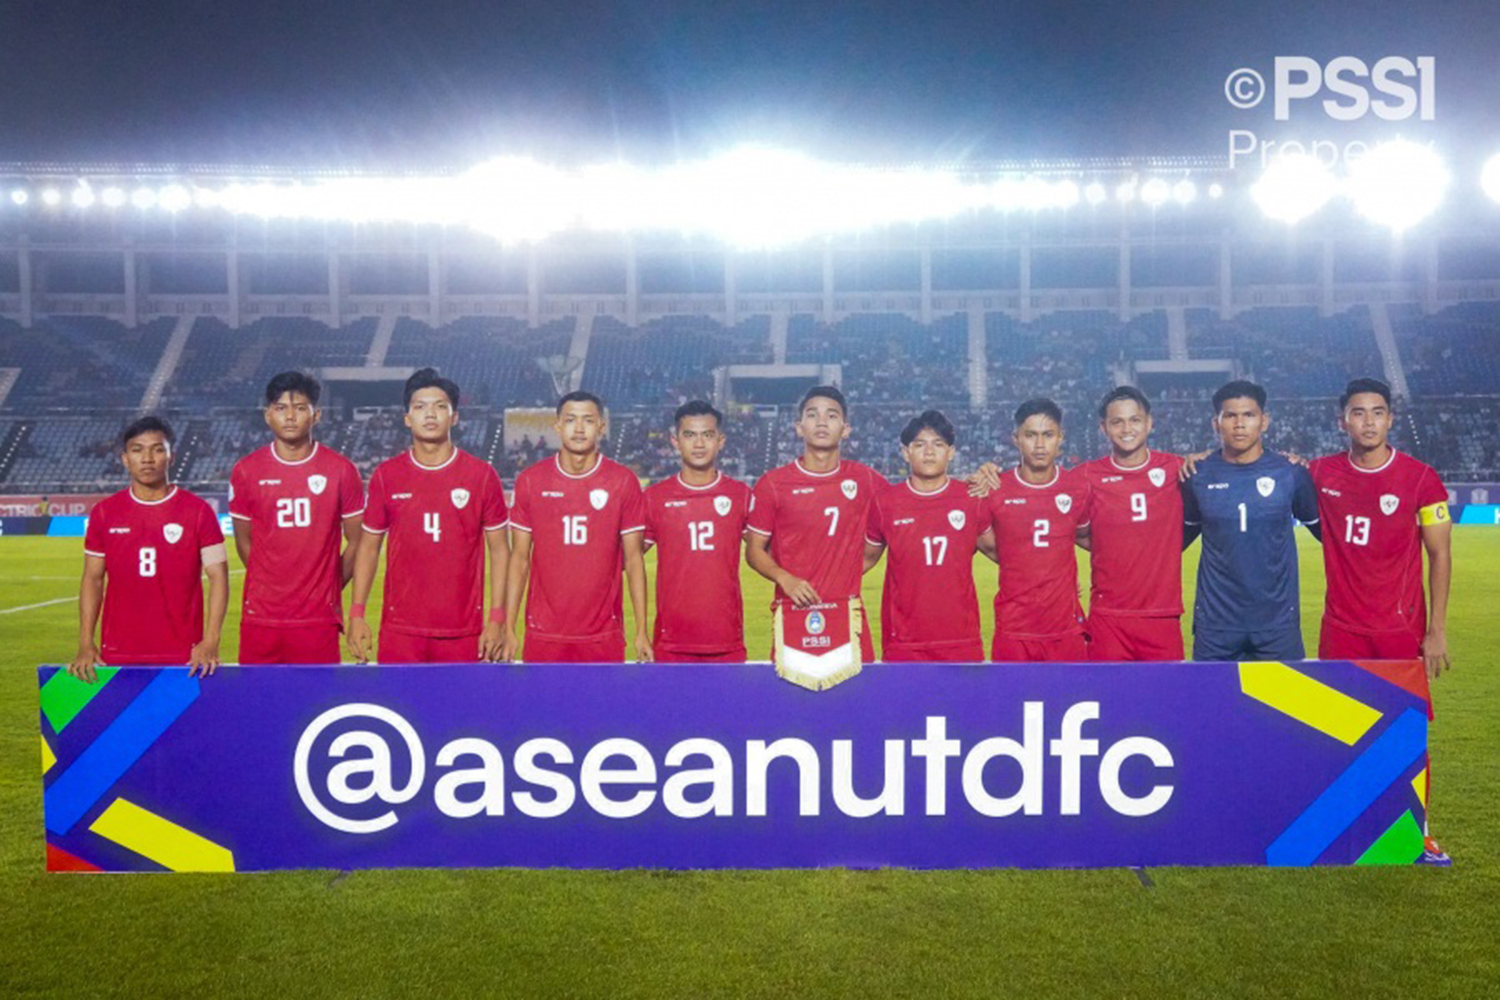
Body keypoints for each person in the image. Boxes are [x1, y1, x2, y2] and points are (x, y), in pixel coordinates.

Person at [347, 368, 509, 664]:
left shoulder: (482, 476)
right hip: (401, 631)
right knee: (400, 709)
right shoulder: (387, 476)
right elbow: (369, 547)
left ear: (454, 416)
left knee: (460, 711)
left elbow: (500, 550)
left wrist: (498, 618)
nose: (430, 414)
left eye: (440, 407)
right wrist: (357, 613)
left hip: (463, 630)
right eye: (420, 407)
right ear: (407, 418)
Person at [1309, 378, 1452, 676]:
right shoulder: (1320, 472)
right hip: (1340, 629)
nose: (1369, 422)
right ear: (1343, 422)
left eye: (1378, 412)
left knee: (1400, 721)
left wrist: (1436, 630)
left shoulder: (1421, 479)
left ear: (1390, 419)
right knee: (1338, 719)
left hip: (1400, 627)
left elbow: (1440, 555)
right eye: (1358, 413)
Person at [70, 416, 229, 680]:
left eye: (157, 449)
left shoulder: (199, 511)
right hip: (118, 651)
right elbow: (93, 579)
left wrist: (211, 640)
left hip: (184, 654)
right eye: (137, 450)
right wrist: (86, 641)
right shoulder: (104, 513)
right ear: (124, 458)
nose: (147, 458)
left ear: (171, 456)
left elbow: (219, 577)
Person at [501, 390, 651, 663]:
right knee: (544, 706)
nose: (579, 429)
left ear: (601, 427)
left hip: (603, 634)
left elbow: (634, 558)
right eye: (571, 420)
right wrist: (508, 627)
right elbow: (519, 558)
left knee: (602, 707)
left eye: (588, 421)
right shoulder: (531, 481)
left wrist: (642, 630)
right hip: (543, 633)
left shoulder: (623, 481)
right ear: (558, 426)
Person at [746, 385, 886, 670]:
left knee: (858, 708)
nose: (822, 422)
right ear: (799, 427)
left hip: (848, 614)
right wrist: (785, 578)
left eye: (831, 415)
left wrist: (975, 482)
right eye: (813, 415)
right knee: (794, 710)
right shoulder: (772, 484)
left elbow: (909, 504)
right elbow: (754, 550)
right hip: (794, 613)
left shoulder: (866, 480)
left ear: (845, 429)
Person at [229, 371, 363, 664]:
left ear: (316, 415)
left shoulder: (341, 470)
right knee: (257, 704)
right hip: (261, 617)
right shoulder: (246, 470)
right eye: (281, 408)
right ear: (268, 415)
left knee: (316, 705)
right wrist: (270, 585)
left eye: (300, 408)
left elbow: (358, 541)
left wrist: (329, 584)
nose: (290, 416)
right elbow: (243, 540)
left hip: (317, 618)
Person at [1182, 380, 1321, 661]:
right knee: (1213, 705)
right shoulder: (1197, 475)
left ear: (1264, 421)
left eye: (1248, 415)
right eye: (1230, 415)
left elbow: (1329, 535)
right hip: (1216, 626)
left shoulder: (1291, 473)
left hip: (1277, 625)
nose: (1239, 424)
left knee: (1281, 705)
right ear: (1215, 423)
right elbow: (1172, 542)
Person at [863, 409, 993, 662]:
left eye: (938, 444)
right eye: (920, 445)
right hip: (903, 642)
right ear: (905, 452)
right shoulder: (885, 502)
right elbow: (864, 560)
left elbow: (1003, 554)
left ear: (951, 452)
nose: (929, 451)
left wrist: (1051, 576)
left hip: (960, 640)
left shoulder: (971, 498)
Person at [1077, 386, 1187, 661]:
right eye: (1117, 422)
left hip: (1162, 616)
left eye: (1135, 420)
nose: (1127, 428)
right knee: (1110, 700)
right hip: (1108, 617)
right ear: (1104, 428)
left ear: (1149, 423)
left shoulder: (1178, 468)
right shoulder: (1086, 476)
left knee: (1164, 702)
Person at [983, 399, 1091, 662]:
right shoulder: (994, 489)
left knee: (1071, 698)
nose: (1040, 445)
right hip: (1014, 629)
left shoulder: (1078, 487)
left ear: (1060, 438)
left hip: (1065, 629)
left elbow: (1089, 538)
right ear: (1016, 439)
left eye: (1048, 435)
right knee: (1010, 702)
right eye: (1030, 435)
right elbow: (985, 543)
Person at [643, 400, 751, 662]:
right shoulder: (655, 498)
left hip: (726, 639)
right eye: (690, 435)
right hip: (672, 641)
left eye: (708, 435)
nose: (699, 444)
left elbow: (767, 553)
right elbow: (627, 559)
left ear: (720, 440)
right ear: (675, 441)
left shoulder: (741, 495)